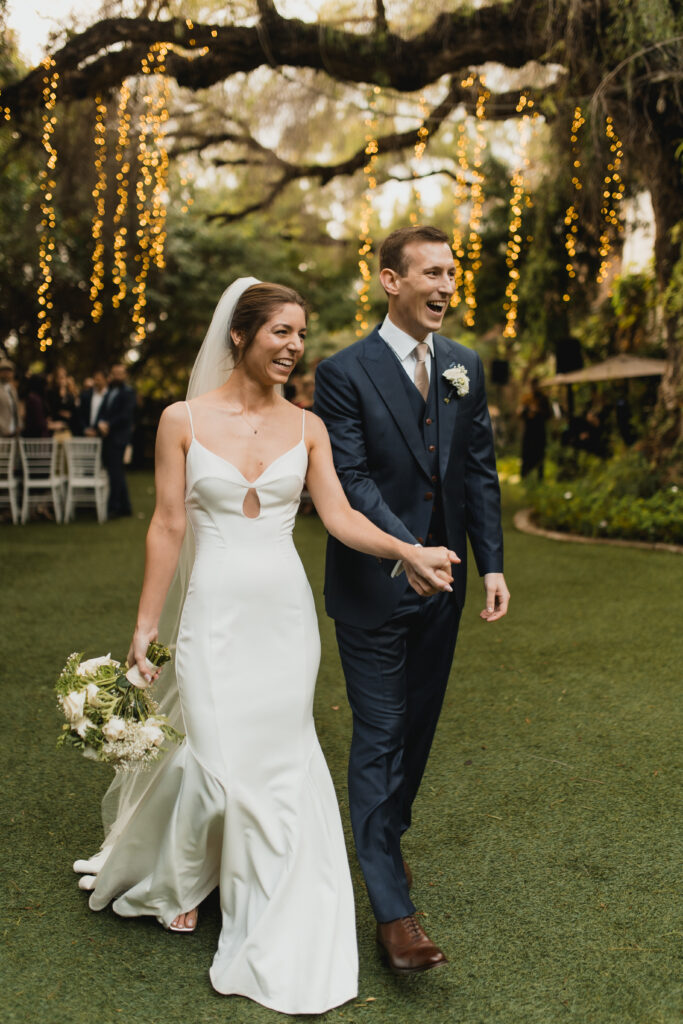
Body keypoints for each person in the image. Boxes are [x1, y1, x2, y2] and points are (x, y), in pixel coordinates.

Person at [72, 279, 457, 1014]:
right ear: (240, 336)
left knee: (276, 762)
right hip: (214, 612)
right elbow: (167, 526)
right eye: (281, 331)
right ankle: (181, 879)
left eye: (301, 335)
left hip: (283, 616)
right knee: (216, 765)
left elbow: (340, 516)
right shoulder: (180, 419)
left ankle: (269, 901)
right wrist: (146, 625)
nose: (293, 347)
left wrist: (407, 551)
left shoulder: (308, 428)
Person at [314, 225, 510, 974]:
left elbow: (477, 473)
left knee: (419, 732)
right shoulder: (342, 372)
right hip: (373, 585)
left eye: (451, 273)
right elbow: (353, 478)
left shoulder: (464, 366)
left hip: (449, 587)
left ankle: (383, 842)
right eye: (430, 272)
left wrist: (489, 564)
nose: (445, 286)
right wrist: (409, 550)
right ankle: (394, 913)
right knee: (381, 730)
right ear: (389, 280)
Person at [97, 363, 136, 518]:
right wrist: (100, 422)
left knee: (115, 472)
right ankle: (125, 506)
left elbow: (125, 415)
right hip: (108, 436)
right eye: (115, 373)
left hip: (119, 437)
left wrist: (108, 425)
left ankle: (115, 506)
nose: (117, 376)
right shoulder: (109, 392)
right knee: (117, 471)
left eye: (120, 373)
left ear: (125, 375)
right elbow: (103, 411)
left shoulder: (128, 392)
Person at [517, 376, 552, 479]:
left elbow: (548, 414)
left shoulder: (543, 398)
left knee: (540, 453)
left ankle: (540, 478)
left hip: (540, 430)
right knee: (526, 453)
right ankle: (524, 476)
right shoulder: (526, 398)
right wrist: (526, 410)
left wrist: (538, 411)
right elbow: (520, 413)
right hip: (529, 430)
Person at [79, 369, 109, 437]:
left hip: (104, 434)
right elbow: (81, 414)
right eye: (95, 379)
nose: (96, 382)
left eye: (98, 379)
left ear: (105, 380)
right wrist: (85, 429)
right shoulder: (86, 394)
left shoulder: (110, 395)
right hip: (87, 434)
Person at [0, 356, 22, 437]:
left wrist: (19, 425)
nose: (7, 374)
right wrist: (3, 428)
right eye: (4, 371)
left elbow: (16, 408)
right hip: (2, 433)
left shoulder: (12, 389)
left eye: (9, 371)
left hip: (14, 432)